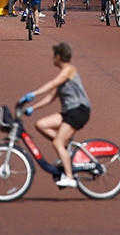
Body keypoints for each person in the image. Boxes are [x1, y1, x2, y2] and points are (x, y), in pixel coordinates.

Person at [18, 43, 91, 189]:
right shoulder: (62, 75)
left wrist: (34, 93)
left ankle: (70, 177)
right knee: (40, 124)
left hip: (79, 111)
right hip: (69, 112)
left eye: (54, 56)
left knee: (56, 143)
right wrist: (33, 107)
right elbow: (50, 98)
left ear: (58, 57)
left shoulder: (69, 70)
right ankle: (65, 145)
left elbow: (53, 84)